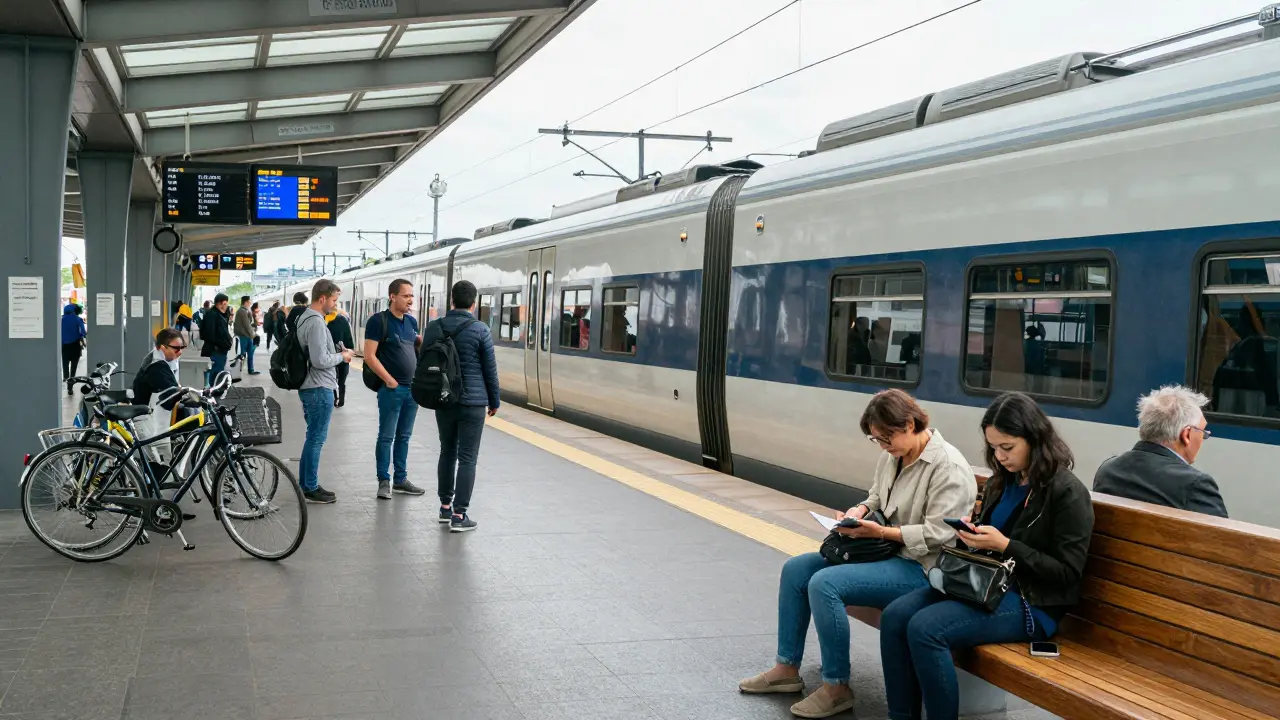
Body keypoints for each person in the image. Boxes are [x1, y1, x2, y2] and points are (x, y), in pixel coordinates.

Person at [739, 389, 978, 718]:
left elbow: (939, 534)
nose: (882, 446)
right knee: (797, 569)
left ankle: (836, 688)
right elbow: (877, 496)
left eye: (886, 438)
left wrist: (879, 532)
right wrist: (860, 509)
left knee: (825, 585)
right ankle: (786, 668)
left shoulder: (948, 468)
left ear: (909, 424)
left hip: (922, 568)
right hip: (886, 553)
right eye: (876, 440)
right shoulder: (894, 454)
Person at [879, 392, 1094, 720]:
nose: (999, 456)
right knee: (895, 616)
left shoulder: (1066, 492)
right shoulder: (1002, 482)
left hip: (1032, 603)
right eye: (993, 447)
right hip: (983, 586)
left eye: (1007, 447)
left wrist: (1006, 546)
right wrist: (972, 535)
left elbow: (1066, 573)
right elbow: (989, 542)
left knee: (926, 629)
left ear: (1034, 438)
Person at [424, 280, 499, 532]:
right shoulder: (480, 330)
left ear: (451, 300)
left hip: (444, 400)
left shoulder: (434, 327)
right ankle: (460, 515)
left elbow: (424, 361)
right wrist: (494, 401)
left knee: (447, 451)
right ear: (474, 303)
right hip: (473, 403)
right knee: (468, 457)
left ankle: (445, 507)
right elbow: (490, 370)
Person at [1093, 385, 1227, 517]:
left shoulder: (1108, 471)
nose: (1203, 438)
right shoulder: (1196, 485)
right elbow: (1223, 538)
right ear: (1186, 435)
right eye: (1203, 432)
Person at [364, 278, 427, 500]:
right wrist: (389, 380)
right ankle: (384, 480)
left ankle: (400, 479)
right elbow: (370, 355)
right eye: (406, 295)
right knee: (386, 436)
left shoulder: (412, 323)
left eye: (412, 296)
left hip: (412, 391)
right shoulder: (378, 321)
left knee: (404, 436)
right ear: (392, 297)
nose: (411, 300)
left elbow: (413, 351)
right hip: (391, 390)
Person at [295, 280, 354, 504]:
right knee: (316, 439)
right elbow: (320, 360)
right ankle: (310, 486)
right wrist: (343, 357)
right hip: (319, 387)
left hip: (312, 386)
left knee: (313, 437)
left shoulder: (306, 318)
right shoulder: (317, 322)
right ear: (323, 298)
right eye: (334, 300)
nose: (335, 305)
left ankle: (306, 483)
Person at [130, 328, 187, 459]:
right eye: (176, 348)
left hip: (152, 416)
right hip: (150, 420)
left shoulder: (160, 356)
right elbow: (173, 390)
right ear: (163, 347)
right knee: (161, 459)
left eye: (182, 347)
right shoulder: (156, 366)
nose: (180, 352)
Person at [199, 294, 233, 386]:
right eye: (225, 304)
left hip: (220, 350)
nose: (226, 306)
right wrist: (221, 344)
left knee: (218, 372)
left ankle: (215, 389)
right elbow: (209, 334)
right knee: (215, 373)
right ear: (220, 304)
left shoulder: (219, 315)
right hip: (215, 351)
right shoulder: (212, 315)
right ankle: (212, 391)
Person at [325, 307, 353, 408]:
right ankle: (339, 400)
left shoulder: (323, 320)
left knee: (333, 379)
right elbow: (349, 340)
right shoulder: (342, 320)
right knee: (341, 380)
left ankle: (336, 398)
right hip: (339, 355)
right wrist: (348, 350)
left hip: (331, 356)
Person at [61, 303, 86, 395]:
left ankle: (66, 377)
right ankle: (70, 387)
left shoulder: (61, 320)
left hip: (64, 346)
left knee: (65, 364)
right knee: (73, 367)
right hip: (75, 345)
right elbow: (82, 332)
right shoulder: (77, 319)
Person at [233, 296, 260, 375]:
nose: (250, 303)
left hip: (247, 336)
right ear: (245, 302)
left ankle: (251, 369)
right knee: (242, 354)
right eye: (249, 302)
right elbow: (247, 325)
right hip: (244, 336)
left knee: (250, 353)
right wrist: (253, 334)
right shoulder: (242, 311)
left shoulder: (245, 311)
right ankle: (238, 371)